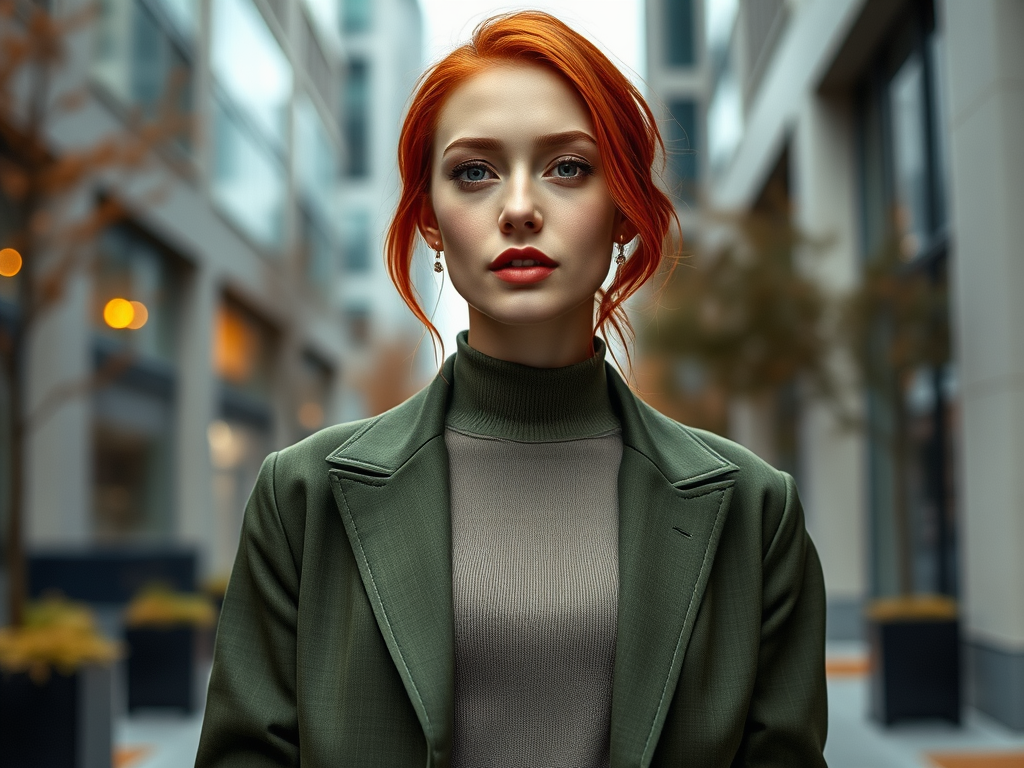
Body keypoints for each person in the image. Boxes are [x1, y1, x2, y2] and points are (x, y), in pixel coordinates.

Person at [195, 11, 827, 768]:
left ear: (625, 207)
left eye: (568, 167)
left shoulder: (754, 513)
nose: (520, 207)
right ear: (429, 219)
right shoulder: (303, 498)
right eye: (474, 171)